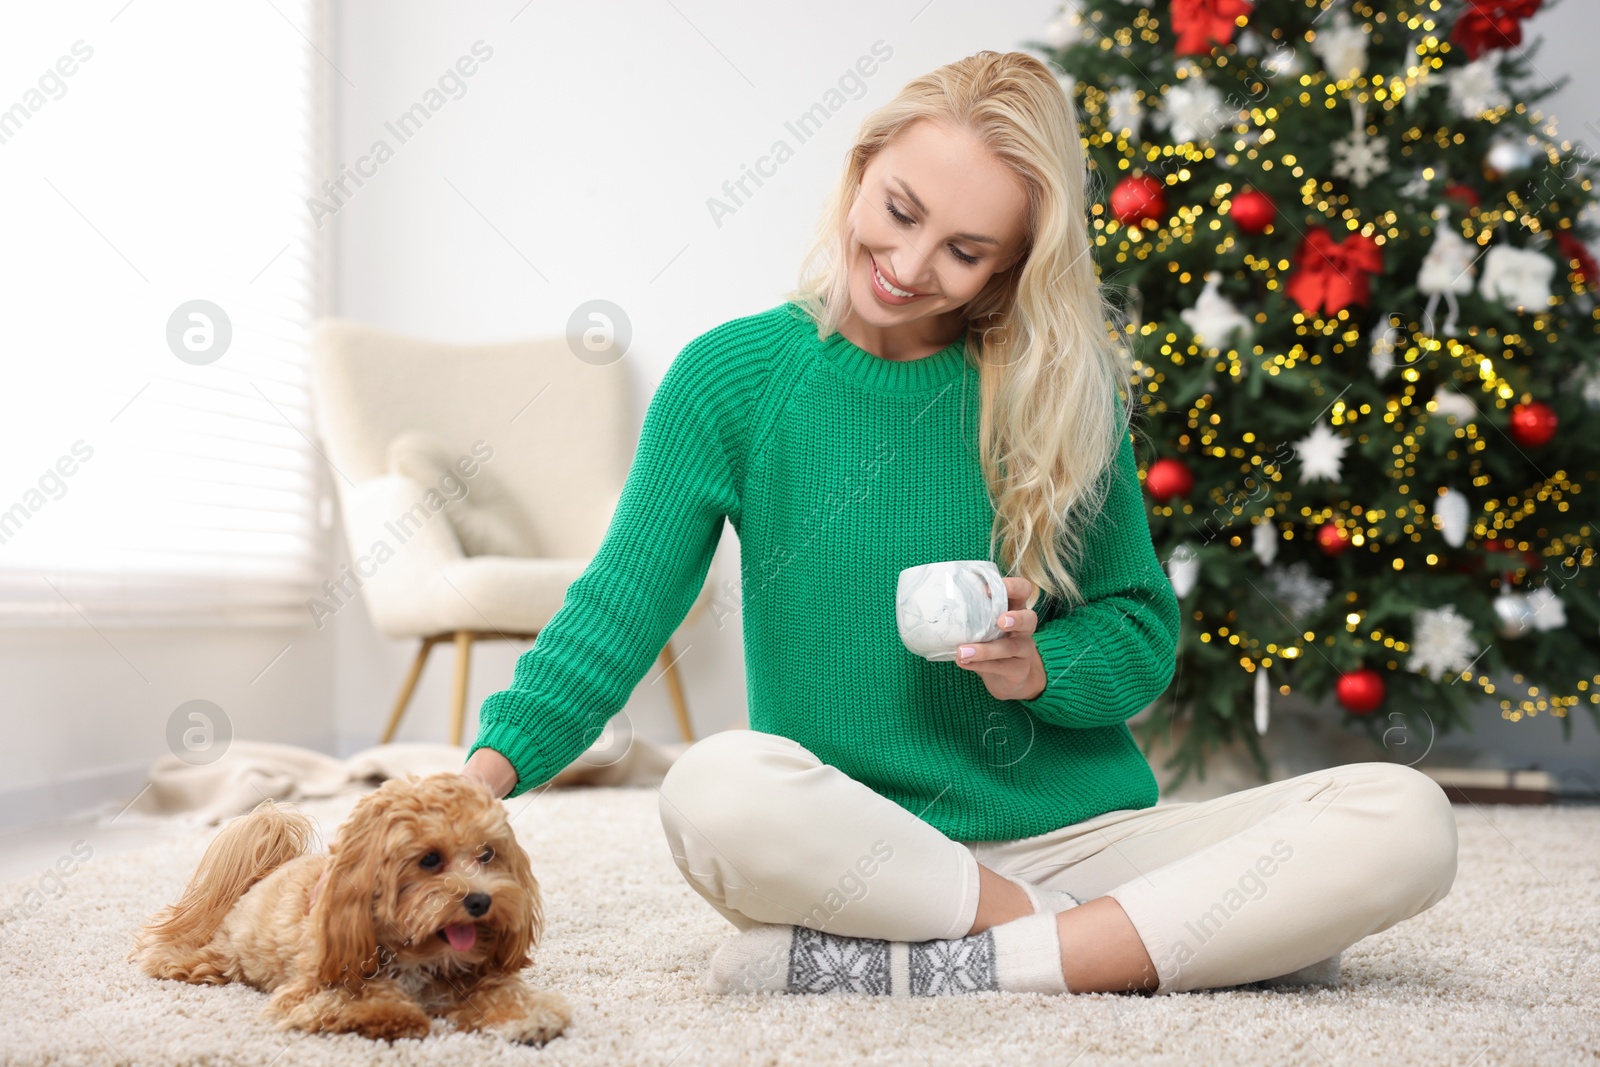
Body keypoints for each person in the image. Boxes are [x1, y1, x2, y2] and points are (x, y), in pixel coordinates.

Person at [461, 50, 1457, 997]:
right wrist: (481, 779)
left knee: (1402, 816)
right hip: (862, 848)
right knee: (711, 785)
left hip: (1078, 836)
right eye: (897, 211)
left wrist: (1039, 667)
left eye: (963, 250)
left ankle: (963, 962)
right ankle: (1123, 938)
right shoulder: (732, 379)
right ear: (861, 171)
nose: (905, 263)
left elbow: (1139, 631)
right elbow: (620, 606)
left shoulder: (1059, 389)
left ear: (1010, 266)